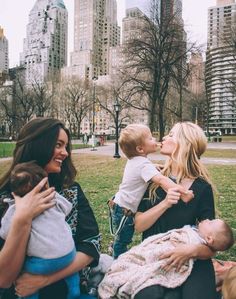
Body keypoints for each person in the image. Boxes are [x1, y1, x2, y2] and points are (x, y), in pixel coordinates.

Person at [0, 117, 100, 299]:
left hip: (69, 289)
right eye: (58, 145)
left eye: (66, 146)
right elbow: (4, 278)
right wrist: (22, 219)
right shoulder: (5, 200)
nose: (65, 153)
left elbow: (91, 245)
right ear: (37, 145)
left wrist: (44, 279)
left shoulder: (70, 191)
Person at [133, 121, 219, 299]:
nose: (164, 137)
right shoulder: (153, 179)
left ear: (185, 144)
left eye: (171, 135)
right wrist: (165, 203)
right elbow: (139, 225)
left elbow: (211, 245)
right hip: (154, 257)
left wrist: (189, 251)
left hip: (190, 257)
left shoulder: (202, 188)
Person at [109, 124, 193, 258]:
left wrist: (153, 167)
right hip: (124, 210)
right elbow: (161, 180)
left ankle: (116, 246)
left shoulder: (138, 161)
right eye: (150, 138)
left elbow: (143, 169)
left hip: (120, 204)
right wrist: (183, 192)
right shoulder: (143, 165)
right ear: (140, 148)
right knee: (123, 241)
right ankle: (116, 260)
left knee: (122, 237)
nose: (155, 139)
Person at [0, 161, 80, 299]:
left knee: (24, 272)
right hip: (69, 254)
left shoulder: (14, 209)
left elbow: (5, 233)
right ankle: (74, 290)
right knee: (72, 277)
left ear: (14, 193)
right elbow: (67, 208)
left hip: (43, 263)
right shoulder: (53, 197)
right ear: (46, 185)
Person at [98, 219, 234, 299]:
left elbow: (211, 250)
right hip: (155, 254)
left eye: (210, 222)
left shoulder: (196, 237)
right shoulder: (150, 180)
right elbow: (139, 225)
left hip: (180, 262)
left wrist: (192, 249)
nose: (206, 219)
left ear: (209, 238)